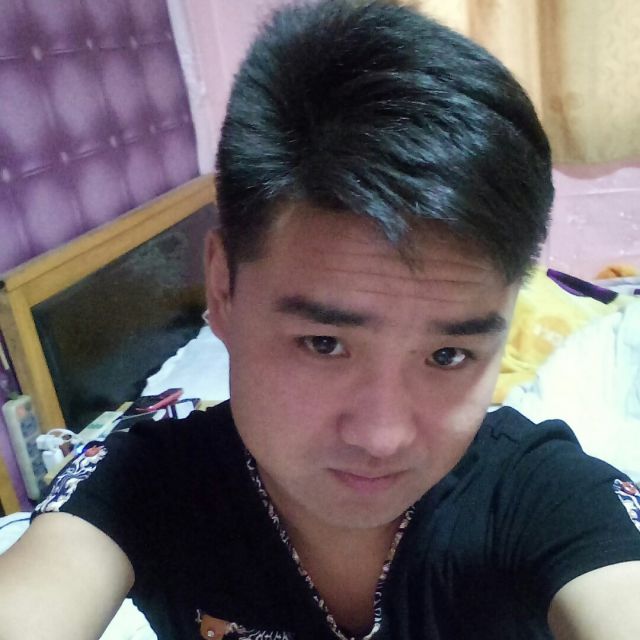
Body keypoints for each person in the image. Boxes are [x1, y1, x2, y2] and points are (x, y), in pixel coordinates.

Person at [1, 1, 639, 638]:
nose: (382, 436)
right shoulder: (149, 484)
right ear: (223, 288)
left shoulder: (541, 495)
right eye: (324, 343)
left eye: (448, 356)